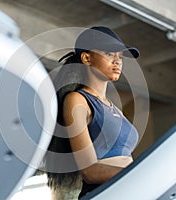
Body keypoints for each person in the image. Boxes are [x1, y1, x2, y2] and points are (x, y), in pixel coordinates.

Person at [45, 26, 141, 199]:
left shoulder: (114, 108)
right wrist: (140, 172)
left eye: (120, 57)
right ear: (87, 58)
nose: (117, 61)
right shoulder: (77, 100)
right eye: (110, 54)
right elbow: (89, 171)